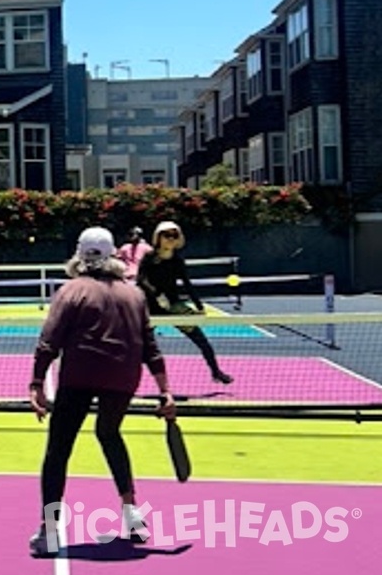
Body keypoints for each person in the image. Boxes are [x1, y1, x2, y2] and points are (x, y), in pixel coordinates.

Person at [28, 227, 175, 557]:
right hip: (123, 377)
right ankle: (132, 514)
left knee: (58, 449)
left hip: (79, 375)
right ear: (113, 256)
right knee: (109, 433)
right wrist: (165, 391)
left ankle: (49, 530)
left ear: (79, 254)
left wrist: (37, 382)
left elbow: (48, 341)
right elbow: (151, 347)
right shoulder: (134, 294)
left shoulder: (71, 290)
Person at [136, 220, 233, 385]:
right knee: (137, 344)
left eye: (174, 236)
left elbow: (187, 284)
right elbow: (141, 279)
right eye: (167, 235)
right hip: (151, 309)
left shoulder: (177, 261)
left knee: (202, 341)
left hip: (174, 307)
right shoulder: (149, 258)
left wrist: (199, 306)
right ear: (158, 237)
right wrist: (157, 295)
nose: (170, 239)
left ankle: (216, 372)